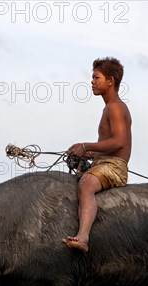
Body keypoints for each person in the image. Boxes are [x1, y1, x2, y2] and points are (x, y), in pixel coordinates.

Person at [62, 57, 132, 253]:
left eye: (96, 77)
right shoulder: (109, 107)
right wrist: (88, 153)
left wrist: (85, 145)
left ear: (110, 81)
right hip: (104, 162)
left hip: (114, 166)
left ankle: (83, 236)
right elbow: (110, 144)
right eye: (92, 77)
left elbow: (120, 142)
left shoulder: (116, 107)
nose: (92, 81)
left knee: (85, 184)